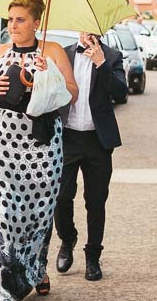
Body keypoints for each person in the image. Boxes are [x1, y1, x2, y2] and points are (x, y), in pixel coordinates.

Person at [0, 0, 77, 301]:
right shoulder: (0, 52)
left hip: (42, 146)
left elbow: (71, 94)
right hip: (2, 147)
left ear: (36, 23)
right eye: (10, 19)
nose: (13, 25)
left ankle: (37, 270)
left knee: (38, 216)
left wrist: (50, 75)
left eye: (20, 20)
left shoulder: (52, 51)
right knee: (4, 217)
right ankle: (4, 293)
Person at [52, 30, 126, 281]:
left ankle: (93, 256)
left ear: (101, 30)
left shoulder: (112, 56)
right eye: (85, 29)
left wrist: (101, 63)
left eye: (94, 29)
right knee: (61, 197)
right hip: (67, 138)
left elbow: (120, 93)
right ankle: (67, 238)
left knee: (96, 201)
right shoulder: (63, 55)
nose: (89, 33)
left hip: (98, 141)